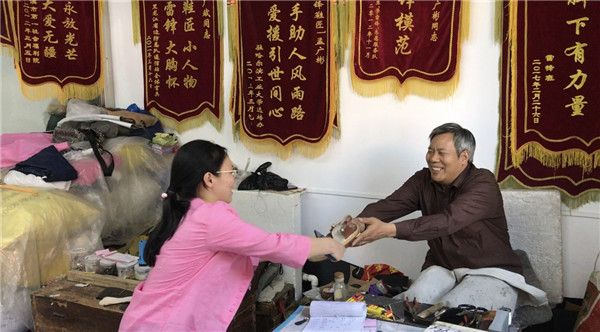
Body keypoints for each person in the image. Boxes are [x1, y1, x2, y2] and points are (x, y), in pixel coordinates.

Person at [119, 140, 346, 331]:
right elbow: (270, 244)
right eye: (231, 172)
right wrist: (330, 244)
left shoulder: (188, 210)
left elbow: (255, 246)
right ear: (209, 179)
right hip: (163, 325)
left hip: (152, 320)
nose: (233, 180)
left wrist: (320, 247)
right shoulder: (209, 217)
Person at [350, 123, 547, 311]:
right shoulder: (423, 180)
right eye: (430, 151)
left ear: (464, 157)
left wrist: (389, 231)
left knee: (452, 313)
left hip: (490, 271)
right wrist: (356, 224)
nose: (433, 158)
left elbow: (447, 221)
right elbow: (390, 205)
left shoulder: (483, 183)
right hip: (443, 268)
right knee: (407, 308)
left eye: (441, 153)